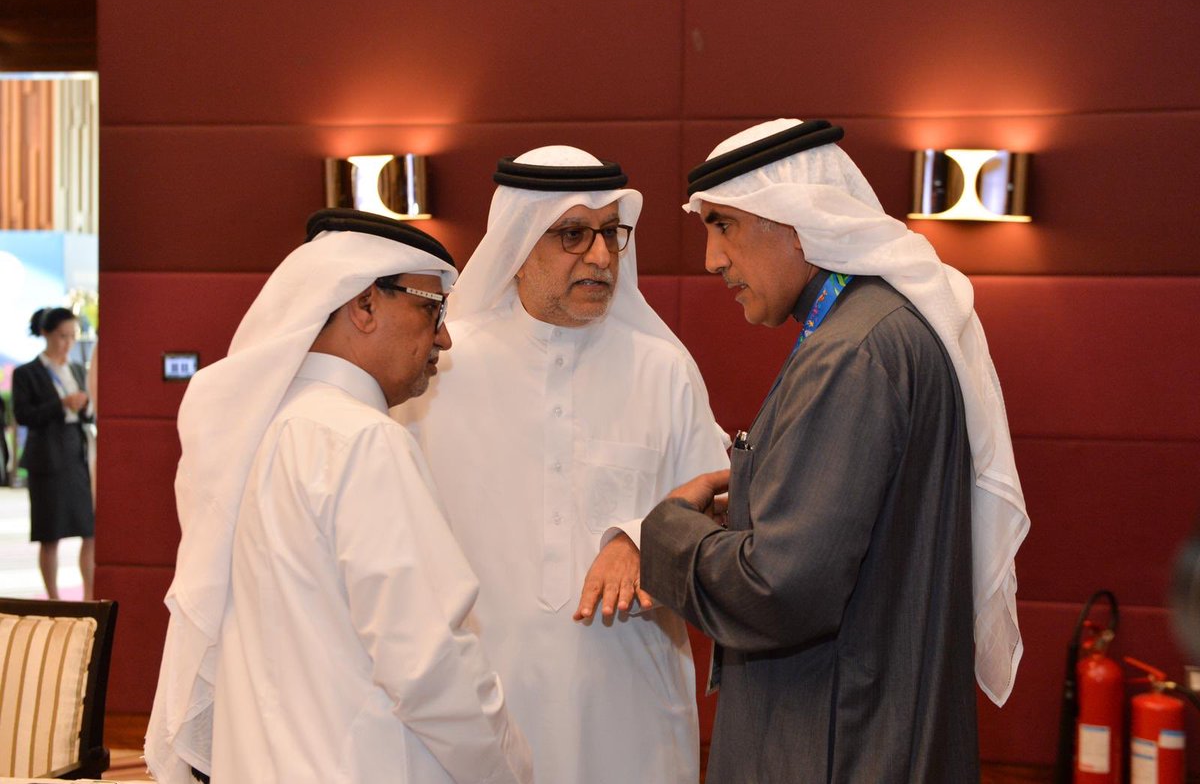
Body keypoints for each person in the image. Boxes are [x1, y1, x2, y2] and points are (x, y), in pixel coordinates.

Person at [639, 119, 1031, 783]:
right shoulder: (884, 325)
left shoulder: (852, 352)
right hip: (876, 724)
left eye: (724, 225)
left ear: (800, 223)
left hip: (837, 742)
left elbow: (781, 589)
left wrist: (671, 532)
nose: (712, 259)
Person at [145, 209, 532, 784]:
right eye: (432, 308)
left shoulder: (261, 429)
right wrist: (508, 770)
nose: (445, 337)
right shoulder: (362, 440)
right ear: (365, 304)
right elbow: (428, 664)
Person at [396, 147, 730, 783]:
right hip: (484, 711)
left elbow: (720, 502)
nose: (600, 256)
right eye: (573, 235)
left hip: (630, 713)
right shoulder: (442, 368)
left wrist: (643, 539)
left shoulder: (661, 370)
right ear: (520, 244)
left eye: (611, 234)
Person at [12, 307, 95, 600]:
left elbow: (88, 415)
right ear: (46, 333)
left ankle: (89, 597)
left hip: (75, 455)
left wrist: (85, 406)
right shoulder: (27, 373)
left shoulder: (76, 369)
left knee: (90, 531)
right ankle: (53, 599)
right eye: (62, 336)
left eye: (72, 336)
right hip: (46, 458)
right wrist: (61, 404)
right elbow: (23, 415)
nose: (68, 343)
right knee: (50, 535)